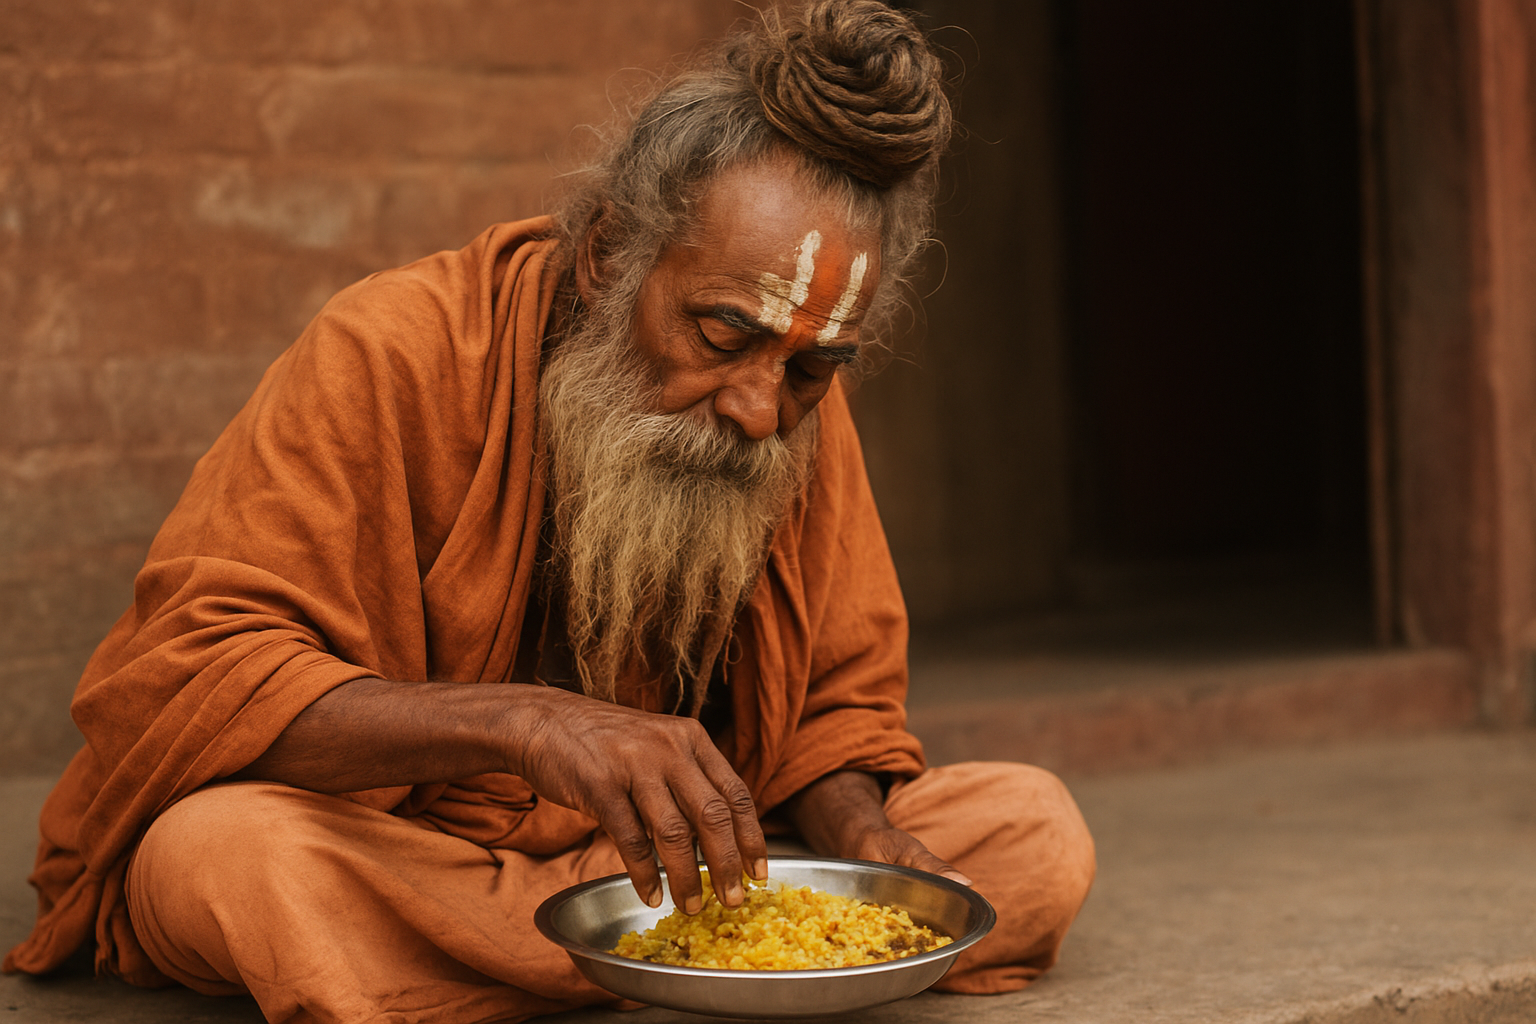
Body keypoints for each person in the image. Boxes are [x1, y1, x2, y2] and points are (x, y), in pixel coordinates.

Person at [5, 2, 1095, 1021]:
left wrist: (865, 835)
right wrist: (529, 725)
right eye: (720, 335)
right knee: (224, 858)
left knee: (1029, 832)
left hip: (678, 868)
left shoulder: (792, 401)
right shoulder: (389, 348)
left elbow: (832, 709)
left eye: (813, 368)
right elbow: (198, 682)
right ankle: (645, 973)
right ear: (608, 254)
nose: (763, 409)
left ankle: (553, 971)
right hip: (416, 854)